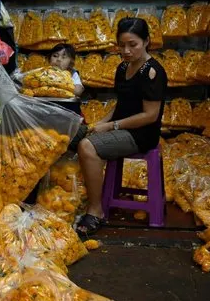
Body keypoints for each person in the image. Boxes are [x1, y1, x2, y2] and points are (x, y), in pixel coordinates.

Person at [71, 17, 168, 238]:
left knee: (87, 147)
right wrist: (101, 123)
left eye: (132, 44)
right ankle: (73, 197)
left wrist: (111, 126)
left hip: (142, 134)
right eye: (122, 45)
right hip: (122, 127)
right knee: (74, 135)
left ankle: (95, 210)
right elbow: (122, 105)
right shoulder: (123, 67)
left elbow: (150, 115)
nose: (126, 50)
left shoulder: (153, 72)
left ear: (146, 41)